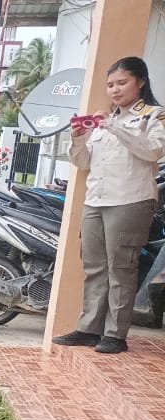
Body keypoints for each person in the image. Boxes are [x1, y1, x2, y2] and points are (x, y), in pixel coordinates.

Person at [55, 56, 165, 354]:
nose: (114, 90)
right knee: (94, 267)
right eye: (110, 85)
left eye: (121, 82)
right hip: (96, 199)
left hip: (130, 200)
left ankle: (115, 335)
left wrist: (115, 126)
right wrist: (78, 138)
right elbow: (83, 162)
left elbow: (153, 151)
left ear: (140, 81)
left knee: (121, 268)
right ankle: (89, 329)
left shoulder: (153, 116)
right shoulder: (104, 120)